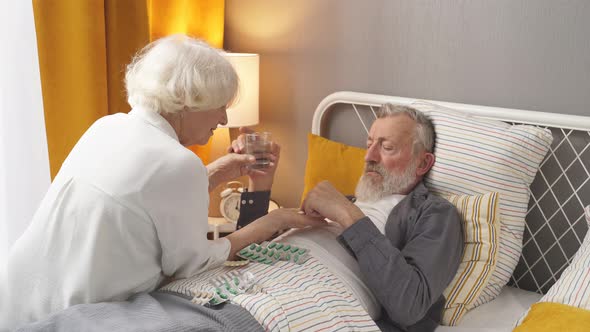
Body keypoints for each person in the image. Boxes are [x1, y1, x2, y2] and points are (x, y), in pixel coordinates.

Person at [0, 34, 323, 330]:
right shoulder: (178, 164)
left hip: (21, 297)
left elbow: (144, 199)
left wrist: (213, 174)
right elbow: (192, 264)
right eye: (220, 105)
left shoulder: (108, 127)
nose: (223, 119)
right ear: (188, 101)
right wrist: (273, 220)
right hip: (77, 314)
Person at [293, 104, 464, 332]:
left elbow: (409, 305)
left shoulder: (436, 214)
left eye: (387, 147)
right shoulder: (346, 201)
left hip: (308, 310)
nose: (369, 156)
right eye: (369, 144)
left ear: (423, 163)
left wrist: (347, 215)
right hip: (262, 282)